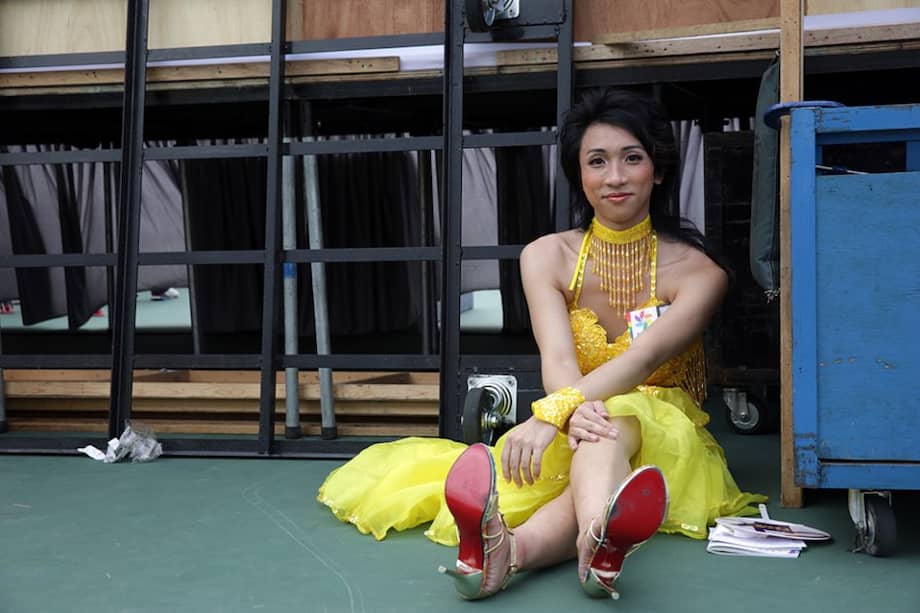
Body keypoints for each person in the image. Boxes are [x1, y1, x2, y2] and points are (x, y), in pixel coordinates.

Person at [317, 87, 767, 600]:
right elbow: (556, 357)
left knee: (614, 423)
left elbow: (644, 358)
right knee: (599, 432)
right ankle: (581, 542)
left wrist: (552, 414)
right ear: (580, 174)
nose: (614, 176)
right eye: (597, 161)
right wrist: (566, 413)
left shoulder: (701, 272)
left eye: (632, 158)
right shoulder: (545, 256)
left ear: (658, 170)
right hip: (573, 417)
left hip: (665, 431)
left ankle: (527, 546)